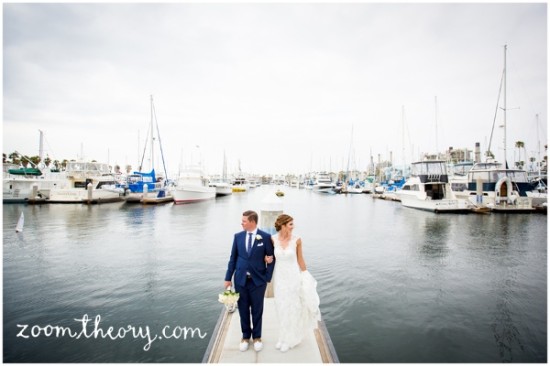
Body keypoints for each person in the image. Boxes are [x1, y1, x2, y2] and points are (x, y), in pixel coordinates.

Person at [224, 210, 275, 352]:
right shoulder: (237, 237)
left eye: (244, 221)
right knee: (243, 310)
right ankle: (245, 336)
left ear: (252, 222)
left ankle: (257, 337)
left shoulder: (265, 237)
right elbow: (233, 258)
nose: (242, 223)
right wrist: (228, 278)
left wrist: (267, 277)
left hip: (258, 281)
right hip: (241, 280)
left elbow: (271, 259)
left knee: (257, 310)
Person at [271, 213, 320, 353]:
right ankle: (282, 336)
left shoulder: (297, 240)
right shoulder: (273, 239)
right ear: (283, 225)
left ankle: (290, 338)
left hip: (293, 278)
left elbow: (300, 259)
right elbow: (270, 258)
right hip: (279, 278)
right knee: (281, 307)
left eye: (293, 224)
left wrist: (306, 275)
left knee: (292, 307)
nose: (293, 226)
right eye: (291, 224)